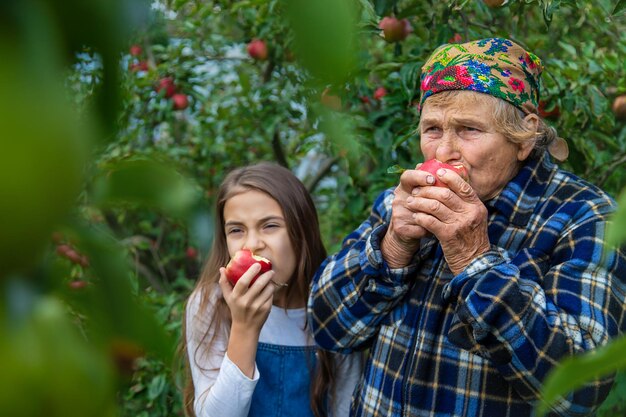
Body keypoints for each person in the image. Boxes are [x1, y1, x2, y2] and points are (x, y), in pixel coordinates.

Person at [308, 37, 626, 417]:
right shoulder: (404, 203)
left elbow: (579, 390)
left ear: (523, 137)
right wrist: (393, 247)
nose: (443, 152)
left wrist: (474, 259)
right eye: (432, 130)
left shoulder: (584, 217)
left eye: (468, 129)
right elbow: (328, 326)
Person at [182, 162, 363, 417]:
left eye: (270, 226)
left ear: (302, 231)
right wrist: (244, 328)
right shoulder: (211, 304)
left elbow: (345, 410)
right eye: (236, 230)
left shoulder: (333, 307)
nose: (253, 244)